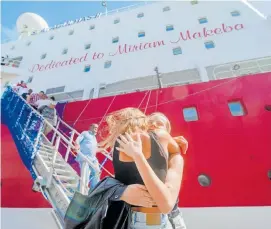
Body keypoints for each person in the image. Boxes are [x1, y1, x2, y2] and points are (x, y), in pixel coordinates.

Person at [100, 107, 185, 229]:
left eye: (159, 124)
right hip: (134, 220)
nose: (153, 124)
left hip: (164, 220)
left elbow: (166, 205)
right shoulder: (134, 149)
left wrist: (138, 155)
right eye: (149, 122)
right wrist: (122, 192)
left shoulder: (175, 159)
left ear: (167, 133)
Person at [74, 123, 100, 194]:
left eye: (97, 128)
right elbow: (78, 140)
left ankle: (93, 191)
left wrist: (102, 150)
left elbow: (93, 148)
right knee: (85, 176)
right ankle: (79, 192)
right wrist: (77, 145)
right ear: (90, 127)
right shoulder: (85, 133)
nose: (96, 129)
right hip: (85, 157)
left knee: (97, 172)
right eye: (94, 127)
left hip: (93, 159)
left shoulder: (94, 138)